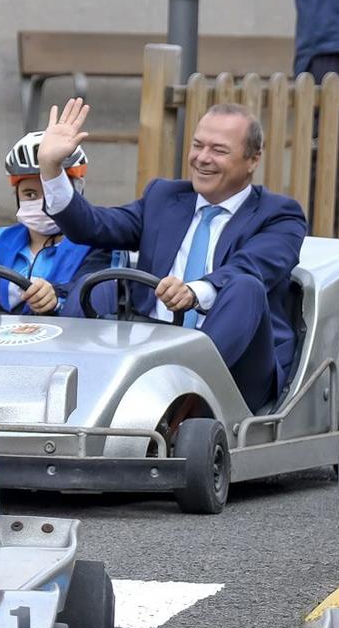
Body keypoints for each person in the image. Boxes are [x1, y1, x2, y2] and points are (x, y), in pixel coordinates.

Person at [35, 99, 308, 411]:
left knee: (246, 288)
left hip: (239, 368)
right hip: (150, 351)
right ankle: (70, 395)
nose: (202, 159)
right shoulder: (165, 197)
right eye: (197, 146)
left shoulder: (280, 215)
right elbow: (96, 227)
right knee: (98, 285)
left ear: (253, 159)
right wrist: (52, 169)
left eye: (218, 150)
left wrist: (194, 292)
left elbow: (253, 268)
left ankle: (179, 402)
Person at [0, 131, 115, 318]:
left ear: (76, 191)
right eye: (30, 194)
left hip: (69, 341)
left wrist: (56, 298)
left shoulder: (99, 244)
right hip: (1, 342)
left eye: (51, 191)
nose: (42, 203)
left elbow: (95, 290)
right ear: (17, 196)